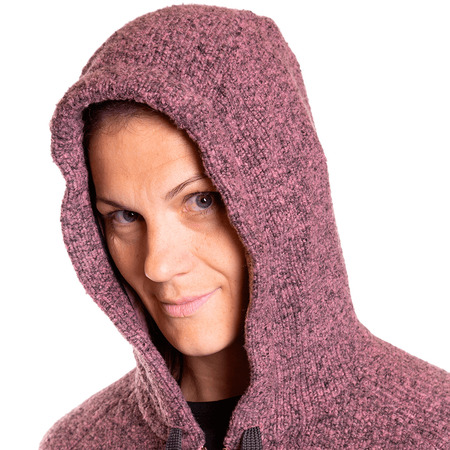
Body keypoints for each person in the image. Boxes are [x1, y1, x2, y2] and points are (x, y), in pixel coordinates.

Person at [40, 4, 449, 449]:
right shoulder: (77, 442)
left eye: (202, 200)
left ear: (285, 199)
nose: (157, 265)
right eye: (125, 216)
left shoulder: (432, 430)